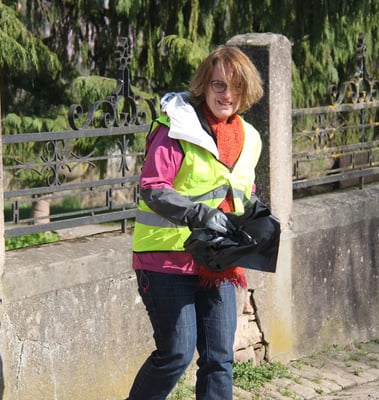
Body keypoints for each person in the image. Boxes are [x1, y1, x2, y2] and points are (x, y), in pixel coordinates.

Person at [127, 45, 264, 400]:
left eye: (236, 86)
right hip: (165, 259)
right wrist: (200, 214)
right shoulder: (177, 127)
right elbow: (153, 188)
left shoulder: (250, 137)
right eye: (219, 84)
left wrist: (260, 222)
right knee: (176, 353)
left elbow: (243, 192)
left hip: (218, 261)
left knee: (220, 359)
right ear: (204, 85)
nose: (227, 94)